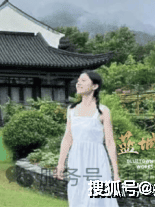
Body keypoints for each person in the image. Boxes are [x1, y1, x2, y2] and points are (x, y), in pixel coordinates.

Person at [54, 70, 120, 207]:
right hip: (76, 160)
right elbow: (67, 138)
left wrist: (116, 173)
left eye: (83, 81)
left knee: (98, 199)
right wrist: (60, 164)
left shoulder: (103, 111)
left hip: (97, 161)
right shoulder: (72, 110)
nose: (78, 83)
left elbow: (109, 142)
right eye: (78, 81)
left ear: (95, 86)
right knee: (77, 196)